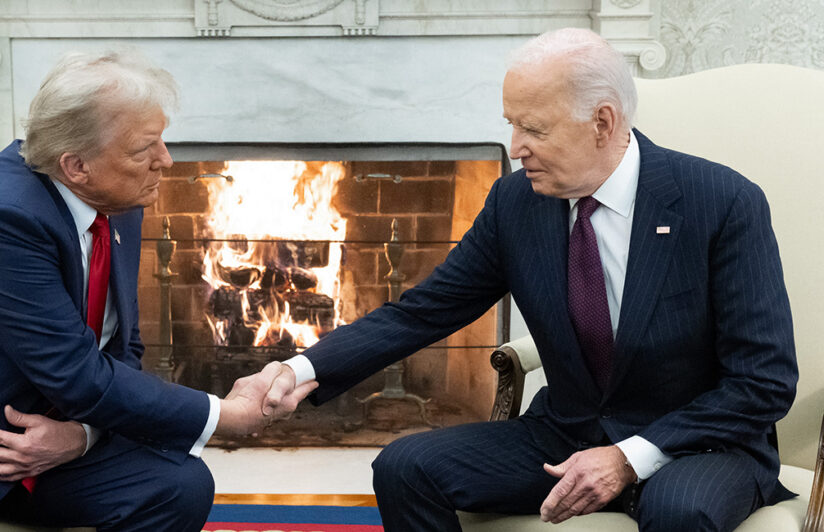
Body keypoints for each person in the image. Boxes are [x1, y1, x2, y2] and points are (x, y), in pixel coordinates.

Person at [262, 28, 798, 531]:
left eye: (534, 129)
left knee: (680, 509)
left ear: (603, 123)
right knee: (405, 466)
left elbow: (762, 381)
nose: (516, 147)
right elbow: (425, 310)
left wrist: (627, 458)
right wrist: (299, 369)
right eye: (512, 125)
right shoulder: (516, 202)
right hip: (568, 431)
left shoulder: (722, 202)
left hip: (697, 444)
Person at [0, 51, 310, 532]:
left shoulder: (117, 200)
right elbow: (78, 374)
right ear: (75, 165)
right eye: (143, 149)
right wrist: (224, 414)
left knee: (176, 486)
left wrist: (80, 437)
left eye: (162, 139)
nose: (166, 160)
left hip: (28, 445)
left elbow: (119, 349)